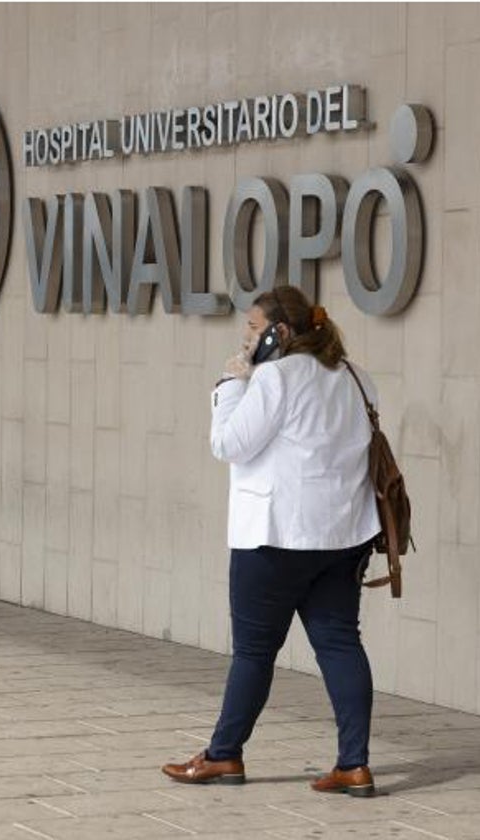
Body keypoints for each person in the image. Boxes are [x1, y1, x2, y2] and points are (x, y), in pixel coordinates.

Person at [161, 285, 381, 797]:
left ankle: (223, 756)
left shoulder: (276, 378)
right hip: (342, 537)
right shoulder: (356, 377)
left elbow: (228, 444)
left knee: (254, 652)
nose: (245, 338)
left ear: (279, 333)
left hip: (274, 537)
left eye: (252, 329)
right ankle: (354, 764)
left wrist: (231, 381)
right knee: (341, 644)